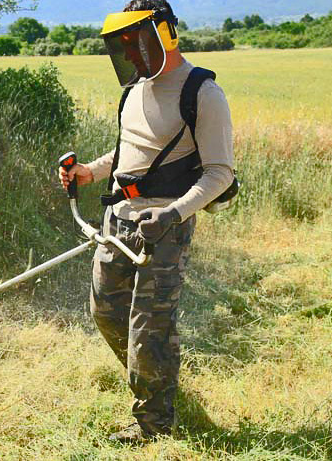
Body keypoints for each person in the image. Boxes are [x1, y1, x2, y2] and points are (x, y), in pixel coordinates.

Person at [59, 0, 235, 444]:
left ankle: (154, 423)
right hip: (118, 217)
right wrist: (89, 172)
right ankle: (155, 383)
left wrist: (173, 213)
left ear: (165, 36)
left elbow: (220, 173)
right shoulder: (136, 88)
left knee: (148, 327)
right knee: (105, 312)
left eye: (136, 43)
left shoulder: (203, 93)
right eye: (123, 46)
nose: (131, 55)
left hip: (166, 227)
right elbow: (129, 153)